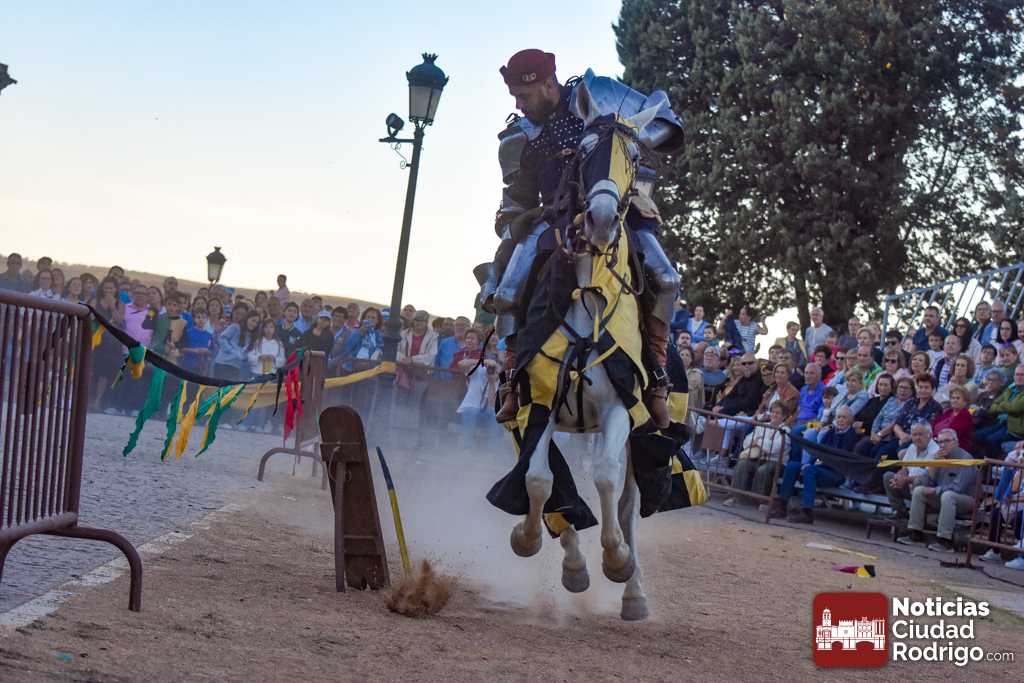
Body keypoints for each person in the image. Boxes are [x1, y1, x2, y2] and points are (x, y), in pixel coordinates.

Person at [482, 49, 685, 428]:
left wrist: (630, 135)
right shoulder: (519, 135)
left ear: (547, 84)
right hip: (551, 220)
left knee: (667, 278)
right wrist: (512, 229)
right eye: (514, 97)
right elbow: (516, 197)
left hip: (617, 211)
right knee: (507, 290)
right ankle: (512, 378)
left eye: (522, 96)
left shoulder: (598, 94)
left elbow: (667, 123)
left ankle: (657, 376)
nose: (518, 105)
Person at [771, 406, 860, 524]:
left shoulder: (852, 436)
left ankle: (807, 512)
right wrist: (808, 463)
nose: (841, 420)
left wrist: (814, 465)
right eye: (838, 417)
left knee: (810, 471)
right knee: (792, 466)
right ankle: (782, 505)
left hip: (836, 473)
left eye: (844, 417)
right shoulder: (831, 432)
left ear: (850, 420)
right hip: (820, 468)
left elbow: (842, 459)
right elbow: (818, 451)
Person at [897, 429, 978, 552]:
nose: (942, 445)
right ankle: (915, 534)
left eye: (946, 441)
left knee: (948, 496)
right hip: (943, 496)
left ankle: (945, 541)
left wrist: (936, 490)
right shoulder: (939, 457)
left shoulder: (966, 458)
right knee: (919, 491)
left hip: (967, 500)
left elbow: (959, 487)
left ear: (956, 442)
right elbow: (927, 481)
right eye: (940, 442)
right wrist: (933, 465)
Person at [729, 402, 791, 500]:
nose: (774, 415)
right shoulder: (762, 426)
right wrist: (762, 443)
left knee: (763, 470)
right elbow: (746, 443)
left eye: (778, 413)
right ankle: (735, 496)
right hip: (758, 458)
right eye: (773, 412)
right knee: (742, 464)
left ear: (784, 416)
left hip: (776, 462)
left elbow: (773, 448)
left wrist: (758, 441)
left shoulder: (785, 430)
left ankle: (761, 500)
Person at [451, 328, 497, 450]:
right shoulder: (474, 367)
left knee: (494, 416)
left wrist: (492, 380)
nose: (469, 340)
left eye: (472, 338)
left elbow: (492, 402)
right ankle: (466, 448)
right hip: (466, 399)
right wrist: (483, 361)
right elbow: (461, 364)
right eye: (468, 338)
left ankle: (492, 451)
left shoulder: (493, 377)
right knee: (471, 412)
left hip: (483, 405)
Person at [882, 421, 939, 519]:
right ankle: (900, 512)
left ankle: (916, 516)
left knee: (919, 481)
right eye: (914, 435)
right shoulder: (912, 447)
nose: (917, 438)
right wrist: (899, 477)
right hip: (909, 486)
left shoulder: (935, 451)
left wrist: (905, 479)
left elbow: (927, 477)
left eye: (920, 434)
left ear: (930, 435)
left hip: (927, 492)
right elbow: (904, 468)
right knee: (888, 476)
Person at [883, 374, 943, 460]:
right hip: (900, 438)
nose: (923, 390)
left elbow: (928, 431)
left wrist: (908, 438)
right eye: (920, 387)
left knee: (886, 454)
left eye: (926, 388)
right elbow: (897, 424)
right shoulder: (911, 402)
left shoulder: (936, 407)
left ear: (932, 390)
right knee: (875, 450)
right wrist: (902, 435)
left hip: (917, 441)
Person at [89, 276, 125, 412]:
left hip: (111, 343)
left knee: (104, 373)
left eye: (111, 288)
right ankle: (89, 400)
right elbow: (90, 317)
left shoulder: (120, 304)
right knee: (92, 370)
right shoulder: (95, 301)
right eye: (106, 288)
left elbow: (120, 321)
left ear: (116, 290)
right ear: (102, 289)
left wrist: (112, 306)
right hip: (96, 339)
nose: (108, 291)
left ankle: (97, 402)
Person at [974, 364, 1024, 459]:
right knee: (977, 435)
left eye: (1022, 375)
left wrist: (1004, 405)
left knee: (990, 440)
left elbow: (1015, 408)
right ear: (1014, 376)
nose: (1019, 377)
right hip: (1003, 422)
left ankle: (990, 465)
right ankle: (979, 461)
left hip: (1015, 430)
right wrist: (1007, 405)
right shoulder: (1011, 388)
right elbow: (994, 404)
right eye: (1017, 374)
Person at [932, 385, 975, 453]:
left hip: (955, 449)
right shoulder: (948, 412)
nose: (955, 400)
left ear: (965, 401)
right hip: (938, 443)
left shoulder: (965, 416)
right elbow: (934, 424)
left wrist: (934, 439)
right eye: (953, 398)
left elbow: (949, 434)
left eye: (958, 398)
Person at [180, 308, 214, 375]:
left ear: (207, 319)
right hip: (187, 365)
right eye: (198, 317)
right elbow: (181, 349)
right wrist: (195, 351)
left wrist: (207, 351)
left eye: (204, 317)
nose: (201, 320)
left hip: (202, 368)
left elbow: (212, 352)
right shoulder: (188, 332)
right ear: (194, 319)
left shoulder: (209, 335)